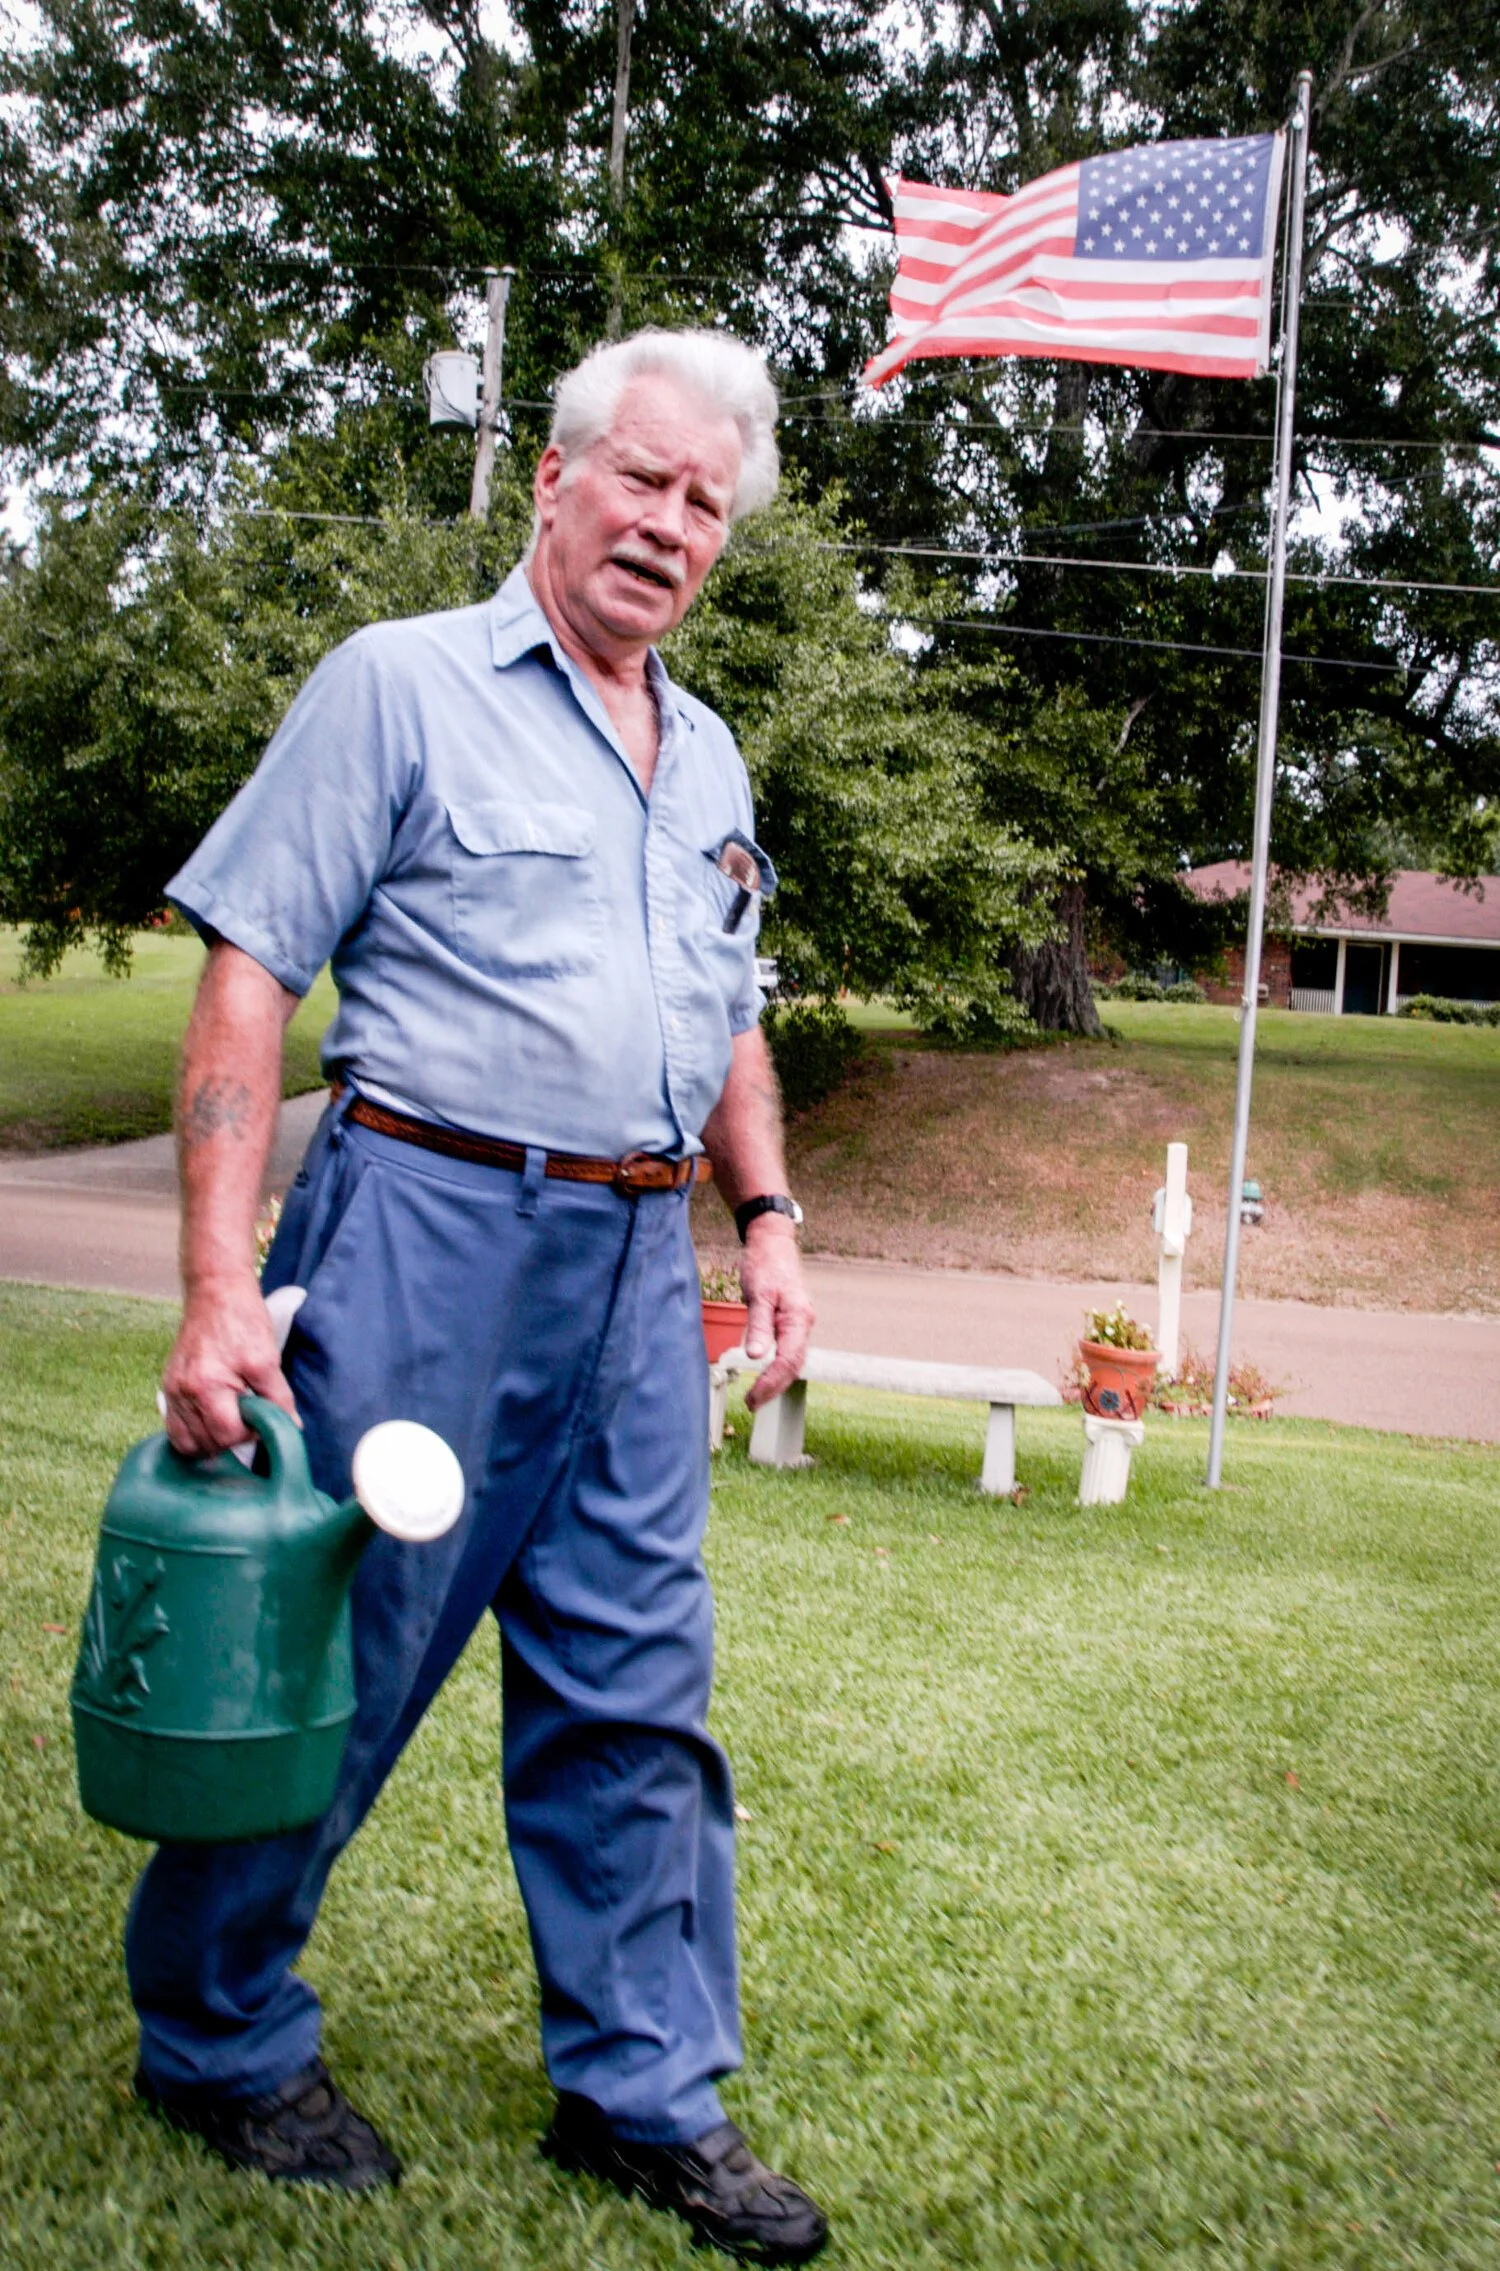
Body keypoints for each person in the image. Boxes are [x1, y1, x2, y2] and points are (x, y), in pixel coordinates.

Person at [131, 326, 827, 2266]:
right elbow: (251, 976)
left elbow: (727, 1009)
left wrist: (761, 1214)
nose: (670, 527)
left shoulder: (710, 756)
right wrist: (216, 1291)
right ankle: (212, 2035)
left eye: (707, 505)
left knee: (637, 1688)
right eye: (644, 480)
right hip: (422, 1228)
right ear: (552, 476)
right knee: (322, 1659)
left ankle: (641, 2093)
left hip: (631, 1269)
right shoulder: (400, 689)